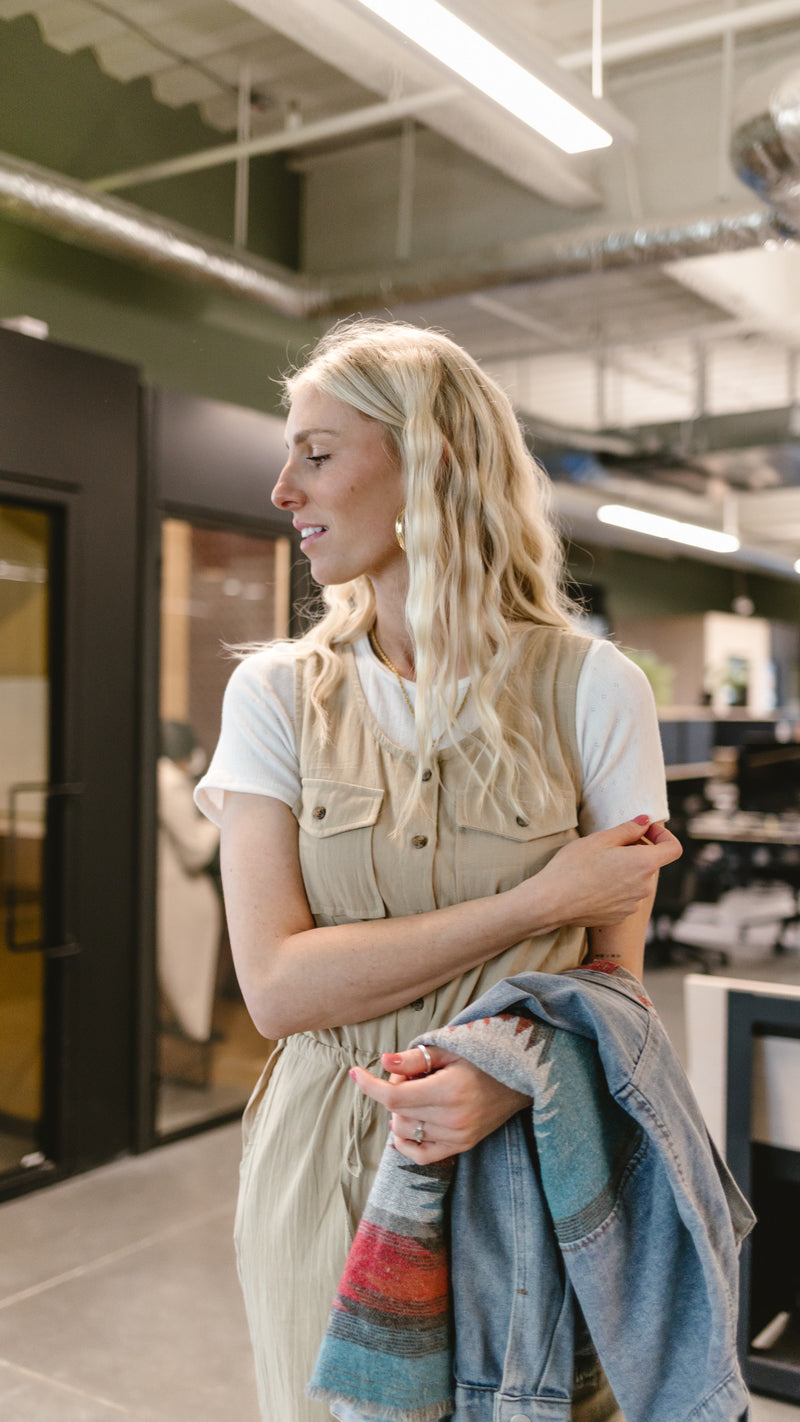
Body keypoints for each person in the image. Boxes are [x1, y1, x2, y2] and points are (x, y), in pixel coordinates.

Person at [194, 319, 681, 1422]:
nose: (281, 488)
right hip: (323, 1146)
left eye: (317, 453)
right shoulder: (273, 697)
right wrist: (536, 902)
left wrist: (515, 1072)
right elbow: (275, 988)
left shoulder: (593, 690)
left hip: (537, 1152)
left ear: (429, 462)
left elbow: (618, 993)